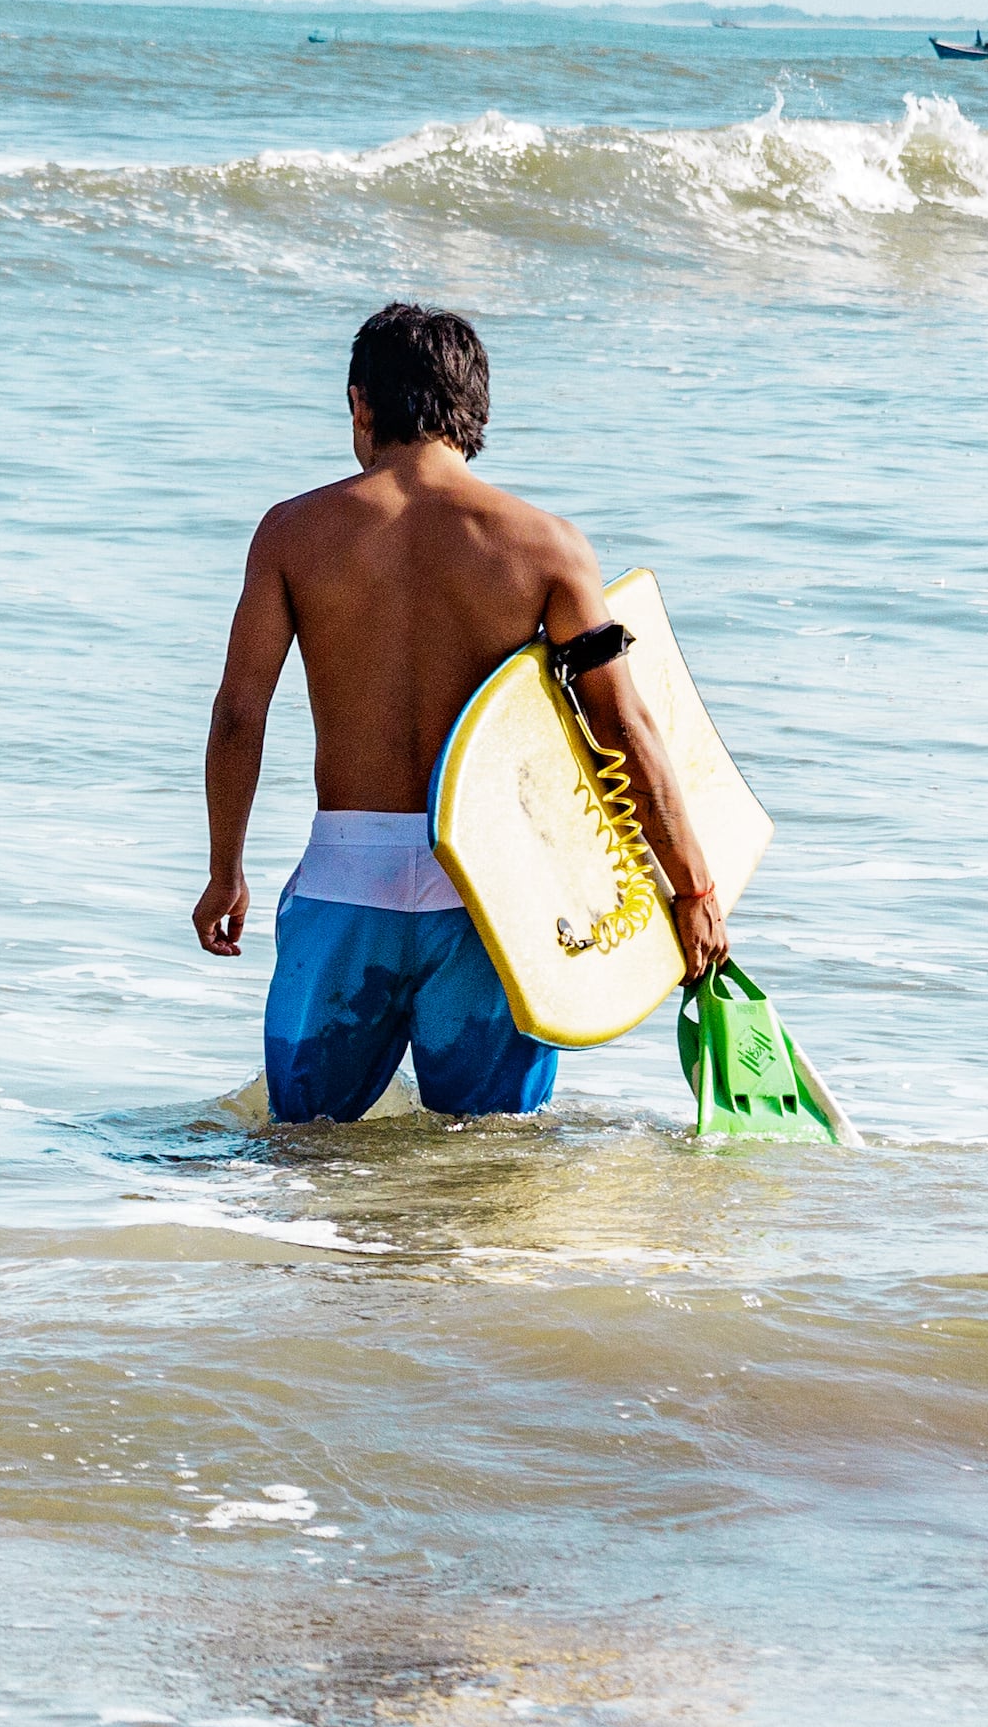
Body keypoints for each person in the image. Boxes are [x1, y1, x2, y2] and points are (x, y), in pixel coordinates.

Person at [193, 302, 729, 1123]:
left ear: (359, 404)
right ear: (474, 411)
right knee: (490, 1156)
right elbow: (626, 726)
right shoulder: (546, 546)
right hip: (491, 894)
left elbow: (240, 713)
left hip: (346, 882)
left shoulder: (293, 533)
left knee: (302, 1153)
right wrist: (691, 885)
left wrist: (224, 866)